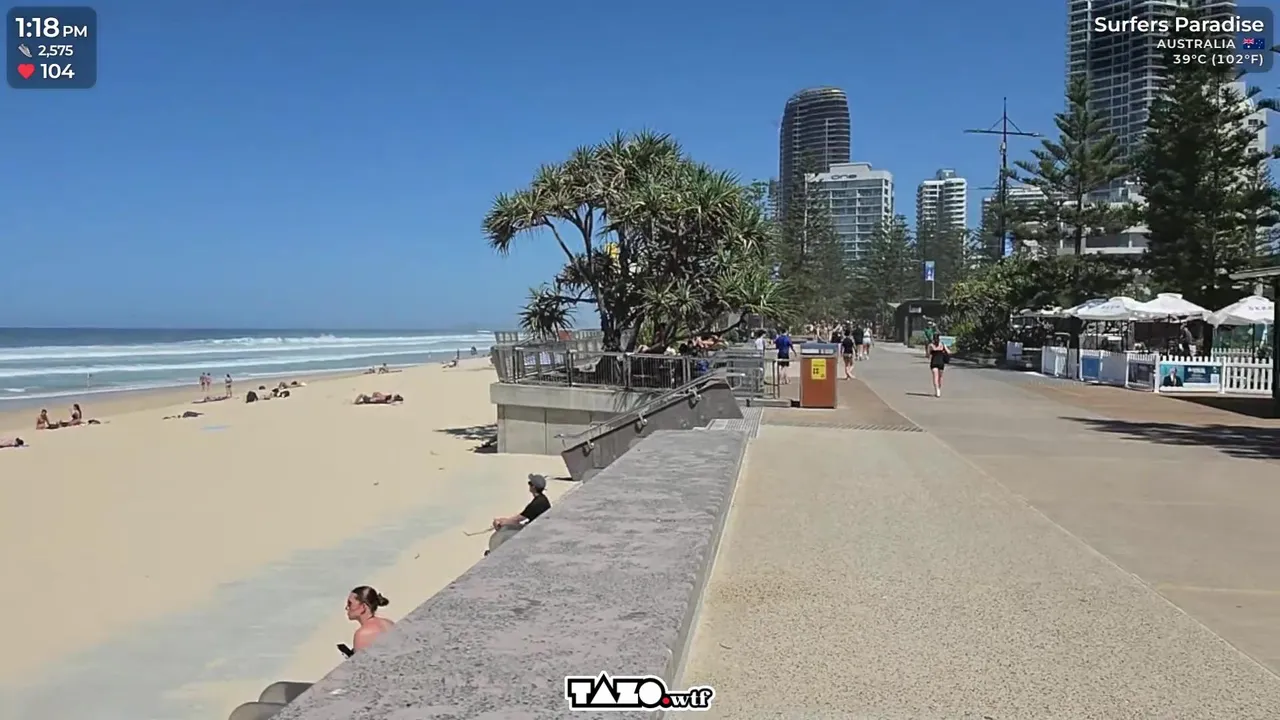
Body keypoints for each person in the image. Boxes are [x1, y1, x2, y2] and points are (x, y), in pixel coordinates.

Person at [345, 586, 394, 652]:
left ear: (363, 607)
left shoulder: (362, 635)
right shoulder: (389, 623)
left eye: (350, 603)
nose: (347, 607)